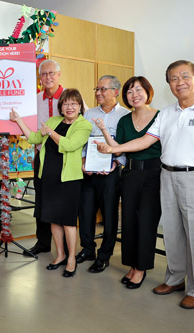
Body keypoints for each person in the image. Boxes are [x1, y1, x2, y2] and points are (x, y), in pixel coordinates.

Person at [95, 60, 194, 309]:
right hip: (166, 176)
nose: (180, 82)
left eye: (185, 76)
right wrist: (116, 148)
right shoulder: (166, 113)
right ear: (169, 84)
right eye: (174, 79)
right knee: (172, 233)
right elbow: (146, 140)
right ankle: (176, 279)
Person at [10, 89, 92, 278]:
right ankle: (60, 254)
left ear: (80, 106)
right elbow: (34, 138)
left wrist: (51, 132)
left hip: (69, 180)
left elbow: (69, 145)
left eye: (73, 103)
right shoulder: (53, 121)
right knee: (53, 218)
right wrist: (19, 120)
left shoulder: (84, 125)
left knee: (68, 222)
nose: (69, 107)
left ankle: (71, 258)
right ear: (60, 107)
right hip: (48, 177)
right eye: (65, 104)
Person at [93, 76, 161, 289]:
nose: (135, 95)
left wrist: (112, 149)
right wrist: (104, 131)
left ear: (148, 92)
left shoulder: (160, 117)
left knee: (146, 222)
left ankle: (141, 268)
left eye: (139, 90)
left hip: (154, 175)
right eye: (130, 92)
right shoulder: (124, 120)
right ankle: (132, 265)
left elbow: (143, 144)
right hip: (130, 175)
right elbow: (119, 147)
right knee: (129, 222)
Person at [76, 75, 130, 273]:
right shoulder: (89, 114)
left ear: (115, 92)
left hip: (111, 173)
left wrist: (117, 161)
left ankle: (105, 255)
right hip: (90, 173)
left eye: (103, 89)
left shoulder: (126, 115)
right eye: (96, 89)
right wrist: (83, 160)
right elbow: (83, 142)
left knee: (109, 215)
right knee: (86, 212)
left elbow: (125, 145)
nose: (98, 93)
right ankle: (88, 249)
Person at [23, 59, 64, 257]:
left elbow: (83, 123)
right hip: (42, 155)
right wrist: (35, 152)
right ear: (40, 78)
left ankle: (65, 246)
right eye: (44, 74)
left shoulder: (70, 97)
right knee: (41, 200)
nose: (47, 77)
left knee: (61, 201)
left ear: (58, 74)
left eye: (51, 73)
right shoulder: (35, 99)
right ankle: (43, 241)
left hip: (64, 157)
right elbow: (33, 130)